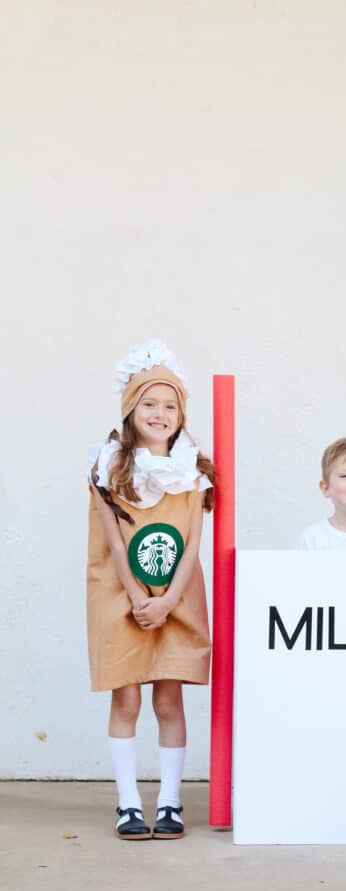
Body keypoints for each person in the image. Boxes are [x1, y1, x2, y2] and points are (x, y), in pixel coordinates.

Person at [87, 340, 215, 840]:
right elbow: (116, 544)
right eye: (149, 404)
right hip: (123, 597)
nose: (159, 414)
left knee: (168, 700)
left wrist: (166, 601)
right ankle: (126, 804)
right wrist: (138, 599)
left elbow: (190, 547)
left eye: (170, 405)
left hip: (175, 598)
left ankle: (168, 802)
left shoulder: (194, 472)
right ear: (130, 409)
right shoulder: (107, 468)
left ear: (181, 414)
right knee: (126, 700)